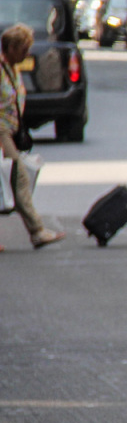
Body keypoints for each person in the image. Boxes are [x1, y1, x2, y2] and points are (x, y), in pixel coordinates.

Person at [0, 24, 66, 252]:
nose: (27, 54)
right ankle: (37, 230)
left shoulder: (12, 68)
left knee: (8, 181)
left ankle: (37, 230)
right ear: (12, 48)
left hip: (9, 130)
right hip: (1, 132)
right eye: (24, 49)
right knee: (18, 178)